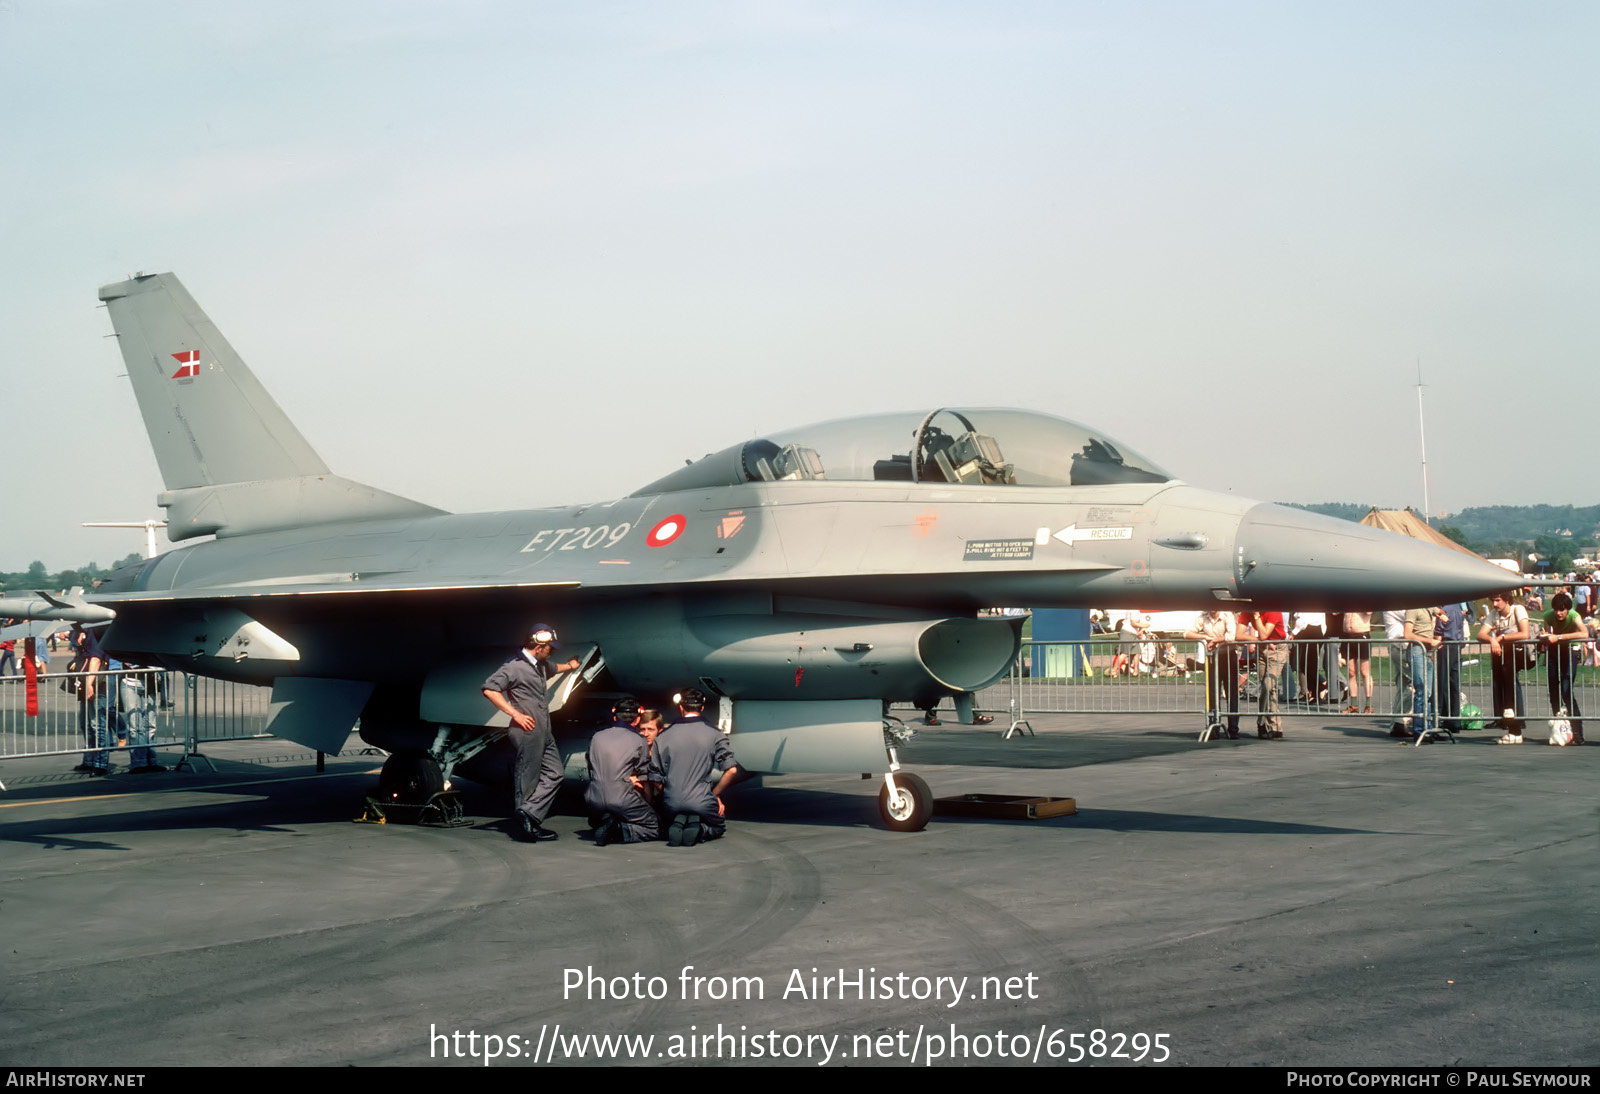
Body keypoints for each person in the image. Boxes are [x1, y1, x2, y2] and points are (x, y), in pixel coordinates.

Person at [482, 623, 581, 842]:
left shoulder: (540, 665)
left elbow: (556, 668)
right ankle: (525, 828)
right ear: (538, 646)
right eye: (549, 648)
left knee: (556, 773)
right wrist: (515, 714)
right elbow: (490, 689)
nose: (552, 650)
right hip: (527, 730)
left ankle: (528, 813)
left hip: (544, 730)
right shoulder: (514, 667)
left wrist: (572, 665)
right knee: (527, 778)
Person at [650, 688, 739, 846]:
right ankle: (700, 829)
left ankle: (680, 821)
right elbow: (731, 770)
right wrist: (715, 795)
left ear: (681, 707)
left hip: (672, 801)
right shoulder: (716, 734)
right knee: (718, 826)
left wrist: (669, 792)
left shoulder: (663, 736)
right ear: (702, 708)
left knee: (669, 815)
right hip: (702, 801)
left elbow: (654, 776)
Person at [585, 698, 661, 845]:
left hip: (593, 799)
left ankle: (602, 818)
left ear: (614, 716)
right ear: (638, 719)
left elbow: (591, 766)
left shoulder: (596, 736)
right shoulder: (639, 740)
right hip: (621, 799)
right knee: (655, 826)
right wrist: (648, 803)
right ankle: (618, 830)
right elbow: (643, 775)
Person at [1478, 591, 1530, 743]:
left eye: (1498, 600)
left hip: (1518, 652)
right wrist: (1492, 640)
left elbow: (1524, 633)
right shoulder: (1494, 614)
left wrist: (1501, 637)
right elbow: (1480, 635)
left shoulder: (1518, 609)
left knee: (1510, 682)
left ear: (1507, 600)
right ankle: (1511, 725)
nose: (1494, 604)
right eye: (1493, 601)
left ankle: (1516, 724)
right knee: (1501, 684)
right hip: (1503, 652)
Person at [1540, 591, 1586, 745]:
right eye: (1556, 610)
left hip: (1570, 650)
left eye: (1562, 610)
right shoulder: (1548, 615)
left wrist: (1559, 637)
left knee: (1566, 690)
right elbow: (1547, 633)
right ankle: (1559, 730)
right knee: (1553, 691)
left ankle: (1578, 732)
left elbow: (1585, 633)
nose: (1559, 613)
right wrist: (1543, 635)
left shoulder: (1574, 615)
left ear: (1567, 609)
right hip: (1554, 652)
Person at [1184, 610, 1237, 738]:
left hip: (1228, 656)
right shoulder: (1203, 617)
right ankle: (1214, 728)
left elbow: (1231, 636)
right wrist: (1205, 637)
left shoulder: (1227, 616)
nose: (1213, 608)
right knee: (1213, 693)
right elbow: (1187, 633)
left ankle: (1233, 729)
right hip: (1213, 657)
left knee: (1232, 694)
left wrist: (1216, 641)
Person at [71, 625, 113, 776]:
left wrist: (89, 683)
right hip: (88, 679)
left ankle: (100, 762)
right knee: (86, 724)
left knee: (97, 723)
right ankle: (89, 759)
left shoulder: (95, 629)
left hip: (97, 681)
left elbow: (95, 658)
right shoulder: (85, 630)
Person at [1240, 609, 1288, 739]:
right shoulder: (1247, 611)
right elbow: (1239, 635)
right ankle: (1274, 727)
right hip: (1263, 648)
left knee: (1269, 685)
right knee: (1266, 688)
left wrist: (1256, 617)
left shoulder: (1273, 611)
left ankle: (1262, 723)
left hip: (1277, 648)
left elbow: (1264, 634)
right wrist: (1258, 640)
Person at [1398, 606, 1440, 740]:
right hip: (1417, 651)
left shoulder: (1430, 607)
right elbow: (1407, 634)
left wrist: (1442, 614)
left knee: (1428, 692)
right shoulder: (1413, 609)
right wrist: (1430, 641)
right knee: (1421, 690)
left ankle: (1427, 727)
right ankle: (1419, 729)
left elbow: (1440, 612)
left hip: (1427, 652)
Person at [1433, 602, 1470, 730]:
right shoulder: (1458, 609)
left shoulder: (1444, 610)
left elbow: (1439, 631)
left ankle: (1441, 716)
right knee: (1454, 683)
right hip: (1457, 644)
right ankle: (1455, 720)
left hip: (1446, 645)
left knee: (1442, 682)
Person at [1339, 611, 1375, 714]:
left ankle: (1369, 705)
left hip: (1362, 634)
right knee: (1351, 672)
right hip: (1347, 636)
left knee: (1364, 672)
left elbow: (1368, 612)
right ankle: (1353, 705)